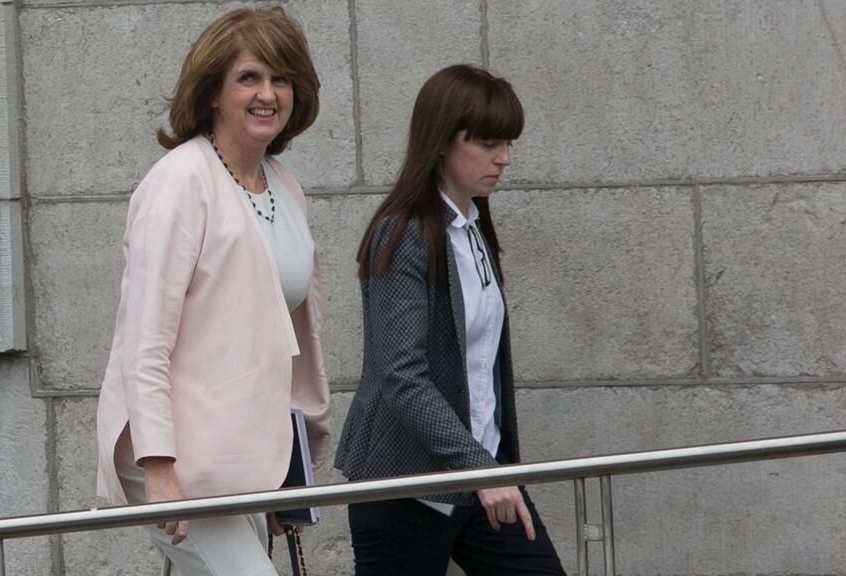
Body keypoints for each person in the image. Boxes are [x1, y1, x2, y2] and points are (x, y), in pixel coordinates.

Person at [95, 7, 331, 576]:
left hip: (241, 451)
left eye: (281, 78)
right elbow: (143, 341)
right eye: (249, 77)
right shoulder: (179, 182)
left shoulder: (285, 186)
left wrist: (287, 473)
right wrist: (158, 466)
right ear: (212, 93)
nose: (268, 94)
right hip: (173, 454)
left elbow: (288, 344)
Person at [334, 64, 565, 575]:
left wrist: (493, 465)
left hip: (482, 473)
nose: (503, 158)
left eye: (507, 143)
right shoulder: (402, 234)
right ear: (441, 141)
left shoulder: (475, 228)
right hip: (407, 485)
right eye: (487, 143)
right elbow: (401, 374)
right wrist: (481, 468)